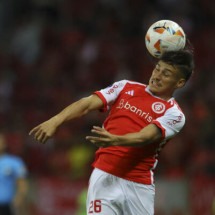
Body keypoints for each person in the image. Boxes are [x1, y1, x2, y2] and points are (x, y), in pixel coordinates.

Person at [29, 50, 194, 215]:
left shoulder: (175, 114)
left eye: (166, 74)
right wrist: (55, 121)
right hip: (104, 177)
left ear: (179, 83)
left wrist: (115, 140)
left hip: (139, 184)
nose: (157, 76)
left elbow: (146, 136)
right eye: (157, 69)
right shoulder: (125, 87)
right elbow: (87, 103)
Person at [0, 133, 28, 215]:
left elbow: (22, 185)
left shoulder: (15, 162)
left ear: (4, 143)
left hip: (6, 207)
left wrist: (17, 201)